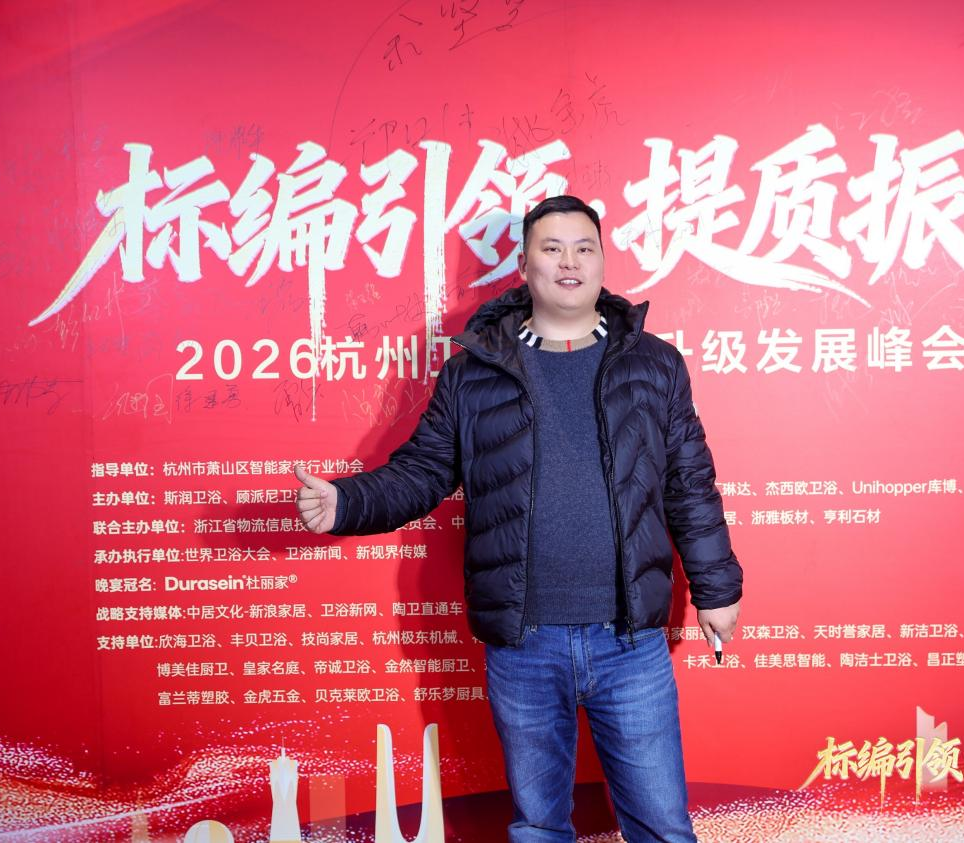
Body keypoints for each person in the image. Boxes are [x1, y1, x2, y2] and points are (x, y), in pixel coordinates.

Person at [295, 195, 743, 842]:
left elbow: (688, 483)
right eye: (552, 249)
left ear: (602, 261)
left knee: (663, 829)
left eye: (584, 248)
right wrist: (348, 502)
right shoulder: (473, 372)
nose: (569, 262)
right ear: (525, 265)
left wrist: (717, 589)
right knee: (537, 826)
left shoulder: (653, 363)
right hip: (523, 640)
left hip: (630, 641)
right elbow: (423, 470)